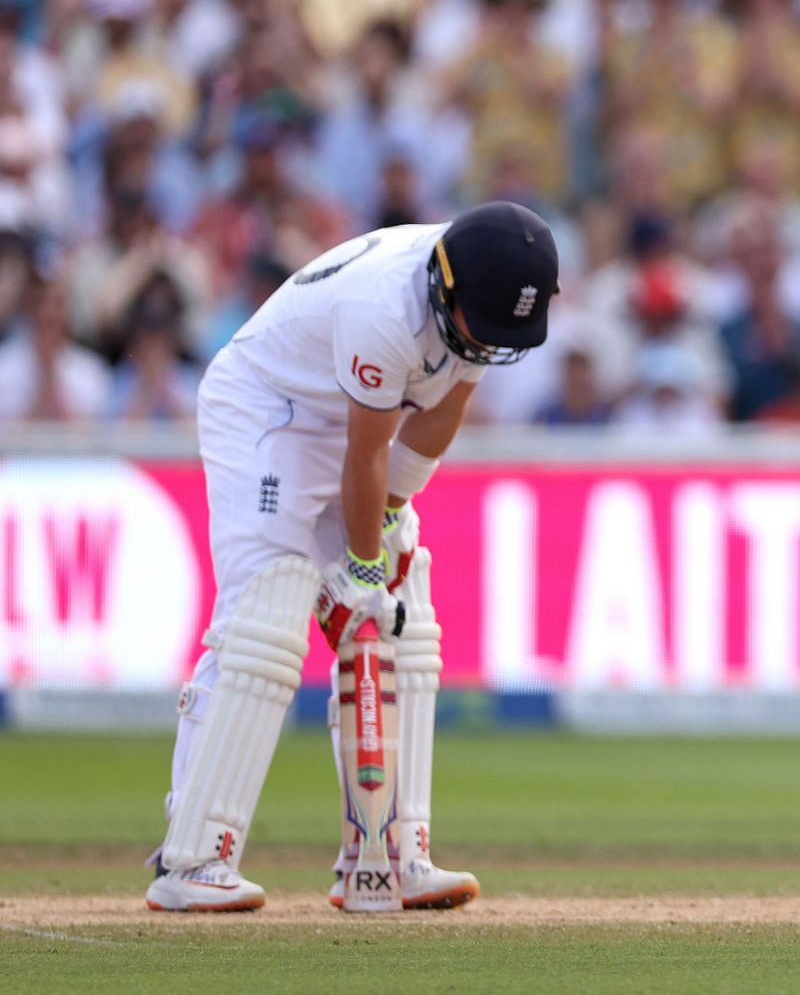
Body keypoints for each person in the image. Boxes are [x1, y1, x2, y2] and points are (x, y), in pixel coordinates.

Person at [146, 202, 561, 913]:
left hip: (345, 433)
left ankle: (391, 853)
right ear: (444, 287)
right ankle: (191, 856)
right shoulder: (385, 306)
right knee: (268, 608)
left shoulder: (480, 301)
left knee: (406, 605)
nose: (485, 346)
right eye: (478, 329)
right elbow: (365, 450)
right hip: (270, 413)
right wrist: (362, 570)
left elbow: (442, 411)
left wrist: (390, 530)